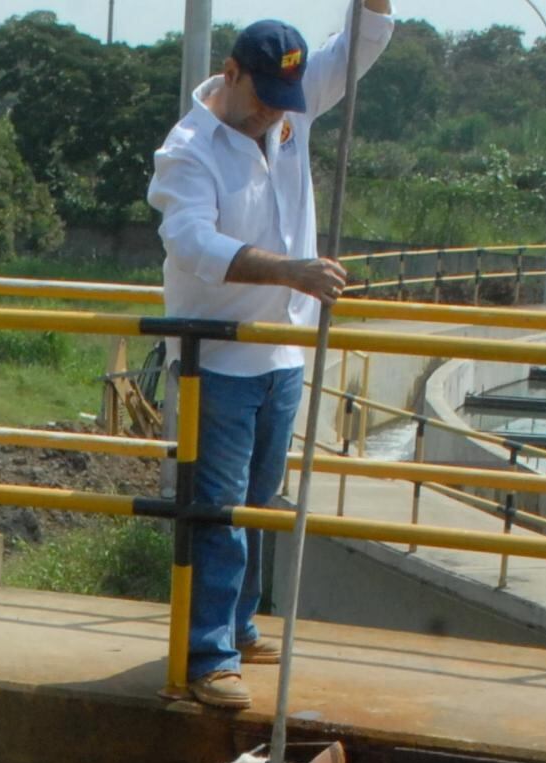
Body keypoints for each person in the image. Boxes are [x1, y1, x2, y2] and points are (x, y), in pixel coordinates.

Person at [147, 0, 391, 709]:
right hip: (216, 362)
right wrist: (291, 270)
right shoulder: (188, 149)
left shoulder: (288, 110)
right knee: (216, 512)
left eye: (289, 103)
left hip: (280, 355)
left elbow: (355, 49)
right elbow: (189, 242)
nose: (277, 118)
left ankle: (239, 625)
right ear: (230, 74)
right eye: (265, 101)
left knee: (257, 504)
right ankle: (206, 654)